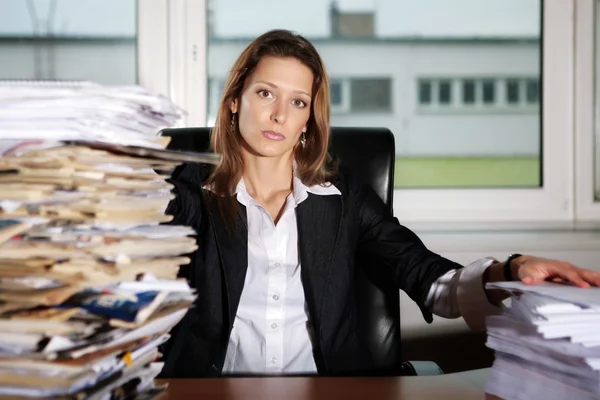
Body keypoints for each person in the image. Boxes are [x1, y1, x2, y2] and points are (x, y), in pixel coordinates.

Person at [158, 29, 600, 378]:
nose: (279, 115)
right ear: (235, 101)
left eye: (297, 102)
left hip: (331, 393)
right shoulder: (190, 193)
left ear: (308, 120)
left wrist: (512, 269)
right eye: (264, 93)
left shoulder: (344, 200)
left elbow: (430, 279)